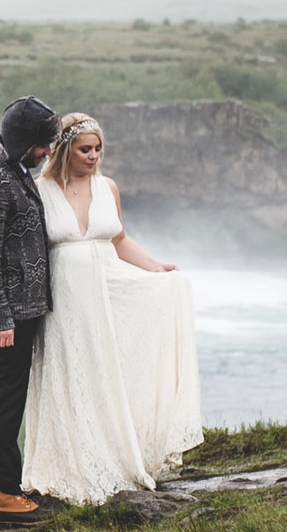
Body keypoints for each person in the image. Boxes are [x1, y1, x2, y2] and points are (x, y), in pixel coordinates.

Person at [20, 111, 204, 502]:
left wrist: (156, 267)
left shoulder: (109, 188)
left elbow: (119, 240)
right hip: (65, 301)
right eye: (86, 149)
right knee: (74, 378)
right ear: (66, 149)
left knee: (108, 374)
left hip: (107, 291)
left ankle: (118, 459)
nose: (94, 157)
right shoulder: (41, 189)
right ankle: (75, 465)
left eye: (99, 149)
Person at [0, 95, 60, 522]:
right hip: (13, 311)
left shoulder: (13, 172)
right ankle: (5, 494)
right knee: (9, 397)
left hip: (22, 306)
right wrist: (1, 317)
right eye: (42, 144)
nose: (47, 152)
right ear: (23, 141)